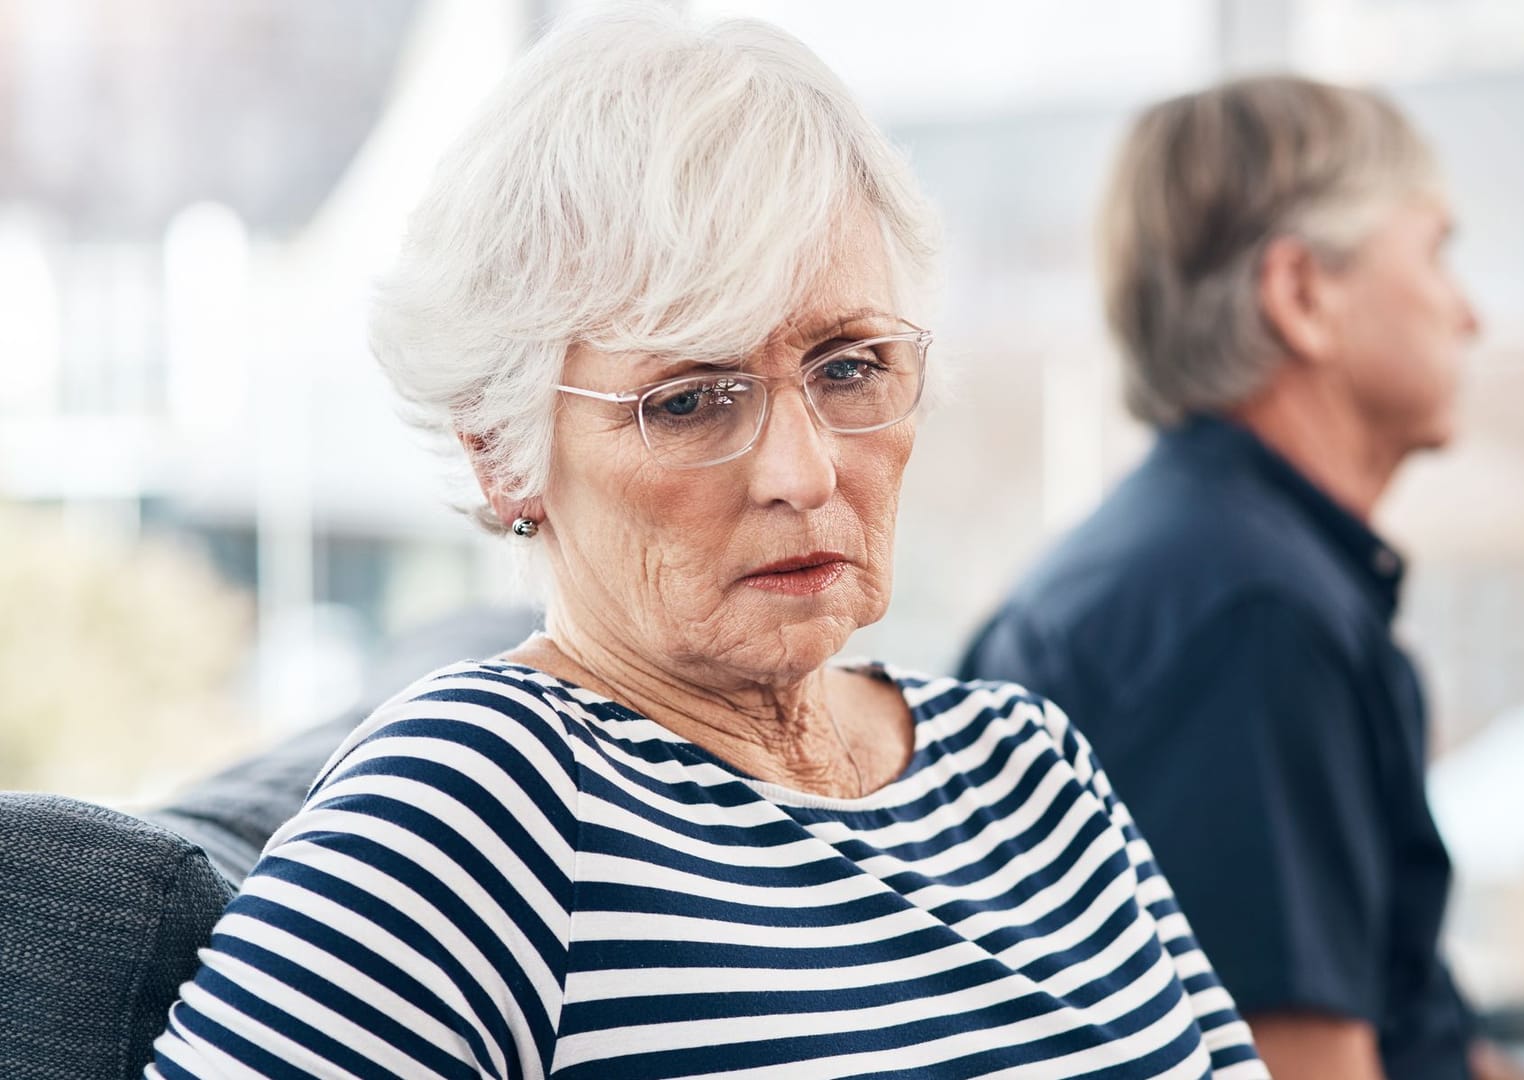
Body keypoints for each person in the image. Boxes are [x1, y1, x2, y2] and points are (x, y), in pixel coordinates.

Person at [147, 7, 1266, 1078]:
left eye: (848, 367)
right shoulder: (474, 805)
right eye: (688, 400)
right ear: (502, 450)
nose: (806, 471)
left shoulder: (1029, 765)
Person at [960, 76, 1524, 1080]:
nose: (1469, 315)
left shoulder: (1205, 565)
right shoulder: (1252, 622)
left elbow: (1414, 1024)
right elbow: (1304, 1067)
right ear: (1302, 295)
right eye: (1436, 254)